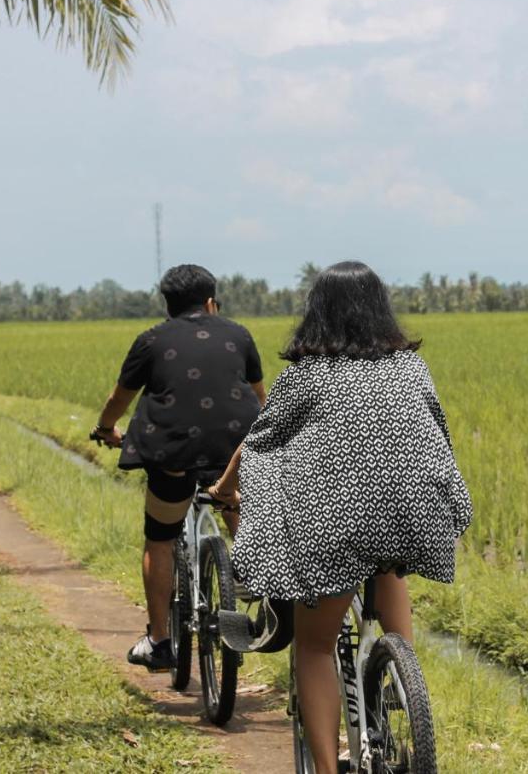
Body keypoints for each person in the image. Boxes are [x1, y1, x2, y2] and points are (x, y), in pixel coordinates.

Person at [212, 260, 472, 772]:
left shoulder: (307, 373)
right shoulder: (411, 367)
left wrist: (225, 491)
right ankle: (401, 673)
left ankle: (330, 768)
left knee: (314, 646)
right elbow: (436, 429)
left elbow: (259, 440)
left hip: (335, 522)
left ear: (317, 313)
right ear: (381, 310)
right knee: (389, 559)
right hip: (416, 507)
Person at [93, 264, 265, 672]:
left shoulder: (151, 340)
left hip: (172, 450)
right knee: (232, 495)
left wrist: (104, 429)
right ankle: (249, 574)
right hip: (232, 447)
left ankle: (159, 641)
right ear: (211, 302)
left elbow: (121, 398)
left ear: (167, 306)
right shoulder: (238, 334)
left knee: (160, 537)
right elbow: (259, 397)